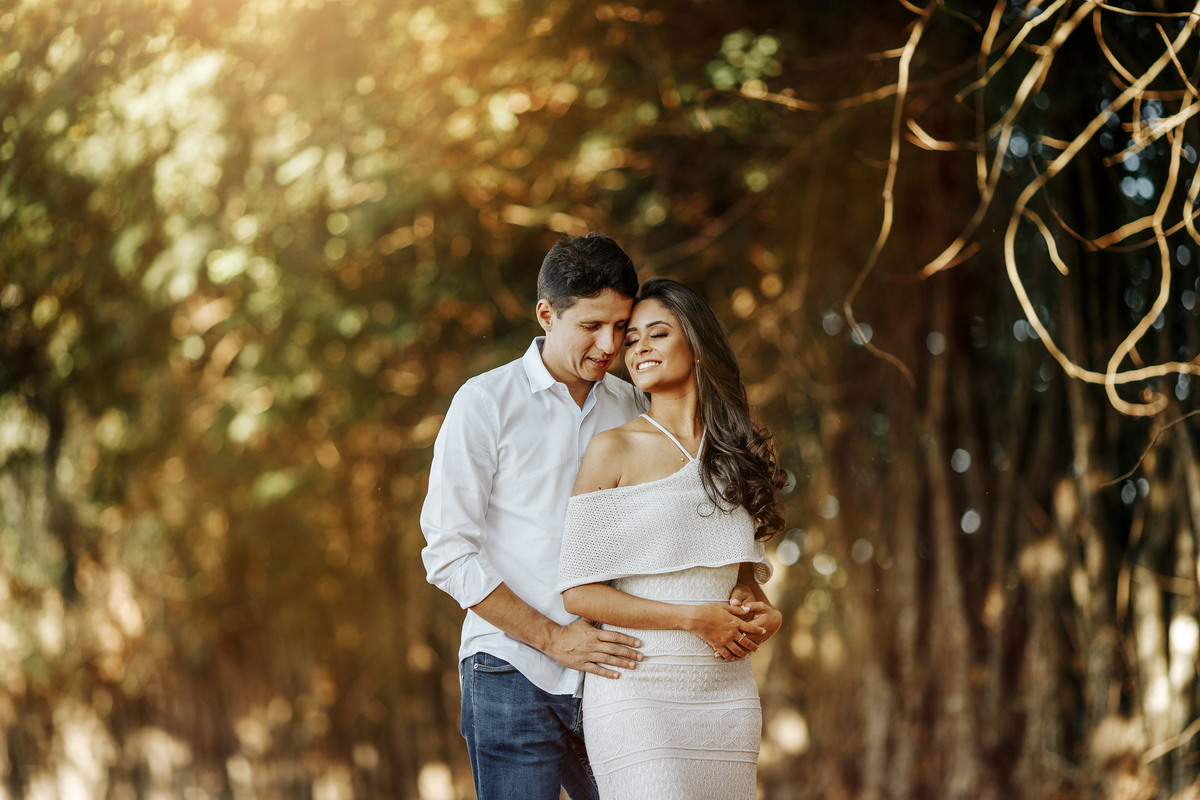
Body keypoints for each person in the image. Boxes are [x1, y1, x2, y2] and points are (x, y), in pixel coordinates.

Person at [420, 233, 648, 800]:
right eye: (592, 326)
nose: (609, 344)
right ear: (547, 314)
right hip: (509, 672)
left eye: (621, 326)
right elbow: (448, 552)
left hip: (612, 676)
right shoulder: (484, 402)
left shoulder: (633, 407)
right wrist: (552, 638)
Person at [556, 277, 786, 800]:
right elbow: (579, 592)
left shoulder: (737, 455)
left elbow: (743, 584)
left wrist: (767, 615)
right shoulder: (612, 449)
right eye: (631, 340)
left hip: (724, 693)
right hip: (637, 687)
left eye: (655, 335)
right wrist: (691, 619)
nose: (636, 349)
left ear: (697, 346)